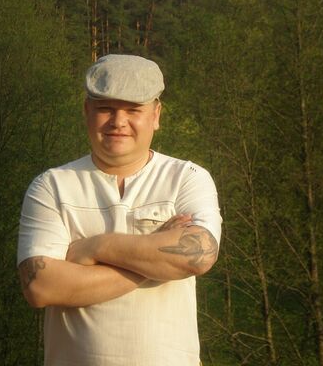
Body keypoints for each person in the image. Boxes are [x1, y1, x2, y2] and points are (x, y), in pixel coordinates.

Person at [17, 54, 222, 366]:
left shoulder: (187, 178)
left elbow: (200, 254)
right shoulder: (52, 185)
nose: (118, 121)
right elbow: (39, 286)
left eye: (133, 110)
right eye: (106, 109)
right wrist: (154, 261)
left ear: (156, 115)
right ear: (87, 111)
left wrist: (95, 248)